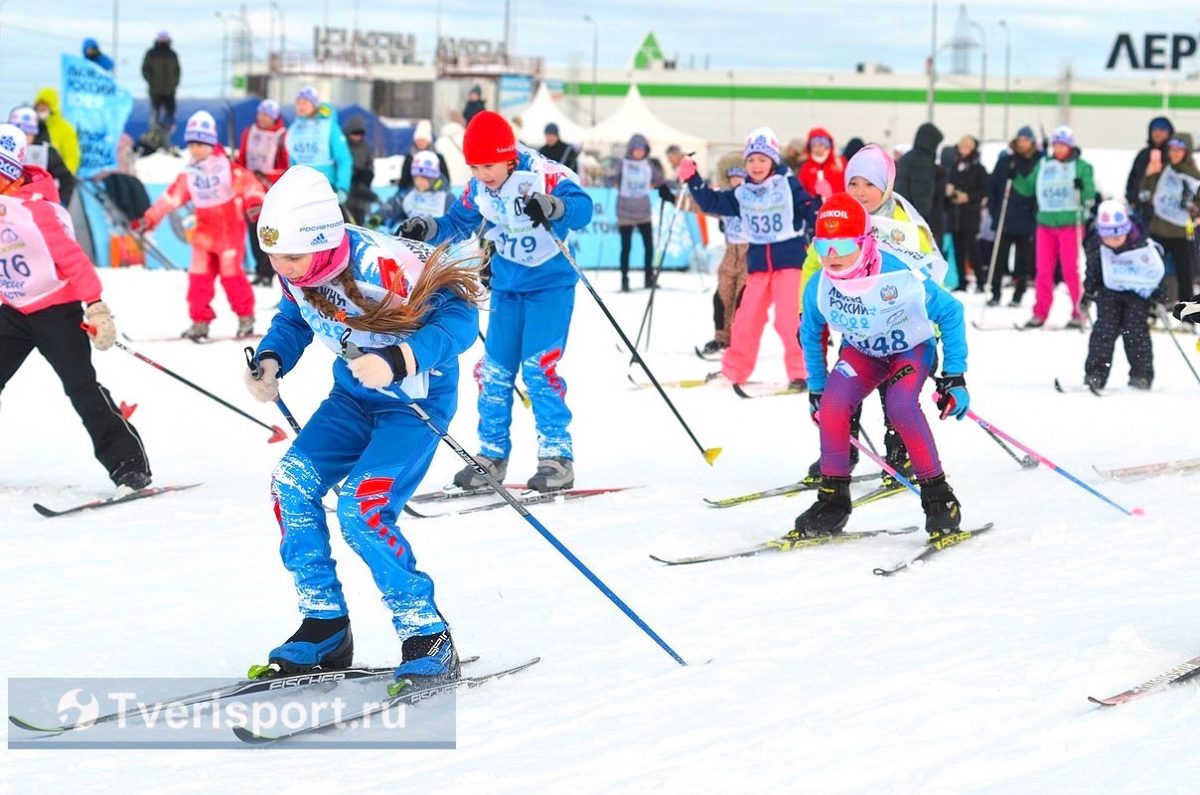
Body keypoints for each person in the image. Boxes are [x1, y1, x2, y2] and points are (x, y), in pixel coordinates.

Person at [244, 164, 483, 683]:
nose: (281, 269)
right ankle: (324, 623)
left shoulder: (386, 265)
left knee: (362, 509)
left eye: (290, 257)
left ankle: (427, 632)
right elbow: (293, 320)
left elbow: (463, 321)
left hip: (412, 403)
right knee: (291, 486)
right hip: (352, 400)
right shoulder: (302, 272)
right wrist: (270, 360)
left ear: (323, 240)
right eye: (273, 258)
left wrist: (400, 360)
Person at [398, 110, 594, 492]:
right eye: (474, 167)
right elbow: (457, 223)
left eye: (489, 165)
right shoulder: (478, 188)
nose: (483, 174)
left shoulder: (543, 173)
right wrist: (428, 227)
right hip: (507, 286)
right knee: (493, 374)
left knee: (539, 369)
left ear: (508, 156)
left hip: (549, 286)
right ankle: (491, 456)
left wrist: (555, 206)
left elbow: (582, 207)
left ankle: (556, 457)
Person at [793, 193, 968, 539]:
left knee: (901, 405)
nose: (832, 257)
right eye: (823, 246)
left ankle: (939, 499)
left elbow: (952, 312)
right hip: (862, 352)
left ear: (864, 241)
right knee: (832, 406)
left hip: (910, 350)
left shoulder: (900, 275)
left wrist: (955, 376)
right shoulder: (820, 285)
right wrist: (816, 385)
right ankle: (833, 501)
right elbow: (811, 334)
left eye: (843, 245)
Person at [0, 123, 152, 496]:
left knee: (81, 388)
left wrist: (96, 306)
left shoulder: (37, 209)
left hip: (56, 308)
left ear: (14, 171)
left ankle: (129, 467)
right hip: (12, 311)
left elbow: (74, 261)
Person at [799, 144, 945, 484]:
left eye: (869, 184)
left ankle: (899, 454)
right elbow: (812, 266)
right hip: (857, 325)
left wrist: (933, 333)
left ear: (886, 186)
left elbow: (930, 276)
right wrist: (804, 312)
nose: (860, 192)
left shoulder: (903, 223)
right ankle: (840, 451)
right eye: (853, 184)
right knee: (843, 390)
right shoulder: (838, 218)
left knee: (895, 397)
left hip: (900, 329)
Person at [682, 127, 820, 391]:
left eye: (762, 159)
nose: (756, 165)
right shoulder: (742, 192)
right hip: (758, 266)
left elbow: (808, 210)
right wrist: (694, 180)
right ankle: (734, 371)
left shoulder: (787, 184)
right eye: (751, 160)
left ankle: (802, 372)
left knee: (788, 319)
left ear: (773, 161)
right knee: (745, 320)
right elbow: (713, 202)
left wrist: (822, 204)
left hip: (789, 262)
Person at [131, 111, 264, 340]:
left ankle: (245, 318)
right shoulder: (190, 173)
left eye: (201, 144)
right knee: (198, 279)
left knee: (232, 277)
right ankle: (199, 321)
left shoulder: (226, 167)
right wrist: (149, 218)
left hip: (229, 233)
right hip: (204, 234)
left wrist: (254, 203)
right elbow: (171, 198)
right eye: (192, 144)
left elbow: (250, 185)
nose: (196, 149)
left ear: (211, 143)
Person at [1012, 125, 1096, 329]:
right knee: (1043, 270)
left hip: (1070, 223)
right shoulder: (1044, 164)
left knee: (1070, 269)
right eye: (1056, 144)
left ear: (1070, 146)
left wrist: (1082, 188)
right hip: (1046, 222)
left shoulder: (1082, 166)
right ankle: (1040, 313)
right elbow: (1028, 188)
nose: (1059, 148)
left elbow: (1090, 196)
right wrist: (1014, 176)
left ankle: (1079, 312)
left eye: (1063, 145)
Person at [1081, 200, 1164, 392]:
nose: (1112, 242)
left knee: (1135, 332)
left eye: (1117, 237)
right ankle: (1095, 374)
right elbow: (1093, 270)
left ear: (1126, 230)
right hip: (1108, 294)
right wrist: (1088, 292)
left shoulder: (1141, 244)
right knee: (1103, 332)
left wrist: (1159, 299)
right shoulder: (1097, 245)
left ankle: (1141, 374)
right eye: (1108, 238)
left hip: (1137, 295)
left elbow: (1154, 271)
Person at [985, 126, 1040, 307]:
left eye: (1026, 140)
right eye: (1020, 139)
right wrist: (995, 210)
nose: (1023, 143)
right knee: (999, 258)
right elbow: (992, 187)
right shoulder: (1006, 161)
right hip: (1005, 218)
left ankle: (1019, 292)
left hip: (1026, 218)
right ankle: (995, 292)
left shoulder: (1038, 162)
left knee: (1022, 260)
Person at [698, 162, 750, 357]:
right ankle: (721, 338)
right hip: (731, 252)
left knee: (742, 298)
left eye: (740, 177)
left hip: (750, 253)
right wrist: (672, 196)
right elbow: (703, 204)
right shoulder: (726, 200)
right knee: (722, 295)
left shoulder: (754, 199)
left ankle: (739, 340)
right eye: (732, 177)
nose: (736, 181)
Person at [1140, 132, 1199, 304]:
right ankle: (1151, 309)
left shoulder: (1195, 176)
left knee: (1184, 273)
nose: (1174, 153)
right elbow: (1146, 190)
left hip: (1183, 231)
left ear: (1186, 152)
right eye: (1172, 149)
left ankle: (1187, 316)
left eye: (1178, 150)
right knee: (1152, 269)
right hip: (1159, 228)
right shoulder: (1164, 168)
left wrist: (1192, 206)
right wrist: (1148, 178)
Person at [236, 99, 290, 286]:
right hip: (251, 189)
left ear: (274, 117)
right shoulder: (249, 132)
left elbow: (286, 165)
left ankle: (269, 271)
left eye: (267, 115)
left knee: (269, 231)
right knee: (253, 230)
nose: (262, 118)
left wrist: (267, 175)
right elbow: (242, 158)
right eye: (260, 114)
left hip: (271, 190)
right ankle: (260, 269)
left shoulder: (283, 136)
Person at [612, 133, 666, 292]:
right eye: (636, 150)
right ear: (631, 150)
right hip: (625, 210)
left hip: (643, 210)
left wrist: (660, 185)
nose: (639, 153)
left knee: (649, 246)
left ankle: (649, 278)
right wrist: (613, 180)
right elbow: (611, 178)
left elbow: (659, 179)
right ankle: (624, 279)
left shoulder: (648, 164)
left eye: (642, 150)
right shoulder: (623, 164)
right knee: (626, 247)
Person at [287, 87, 352, 207]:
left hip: (325, 188)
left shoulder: (329, 126)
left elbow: (343, 159)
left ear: (314, 105)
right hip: (300, 189)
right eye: (298, 103)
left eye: (305, 103)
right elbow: (292, 160)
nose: (301, 106)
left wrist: (342, 187)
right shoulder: (294, 128)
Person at [946, 135, 988, 292]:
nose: (964, 150)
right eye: (961, 147)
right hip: (956, 214)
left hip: (971, 214)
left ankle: (981, 281)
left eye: (967, 147)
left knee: (973, 248)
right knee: (958, 248)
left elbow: (984, 190)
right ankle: (962, 281)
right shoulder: (954, 166)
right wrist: (949, 191)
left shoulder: (979, 169)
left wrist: (969, 197)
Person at [8, 107, 75, 206]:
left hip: (39, 206)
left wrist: (62, 204)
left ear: (34, 134)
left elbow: (67, 179)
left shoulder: (47, 152)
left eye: (27, 134)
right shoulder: (4, 149)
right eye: (18, 133)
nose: (22, 137)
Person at [376, 151, 453, 233]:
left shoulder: (446, 197)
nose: (421, 182)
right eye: (417, 178)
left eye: (426, 178)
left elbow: (453, 222)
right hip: (407, 239)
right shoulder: (409, 193)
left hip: (436, 242)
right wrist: (376, 218)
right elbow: (392, 205)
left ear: (434, 178)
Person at [894, 122, 944, 241]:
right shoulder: (923, 162)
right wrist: (925, 223)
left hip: (902, 214)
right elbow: (920, 194)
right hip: (916, 221)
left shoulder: (907, 157)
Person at [1126, 117, 1173, 221]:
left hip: (1167, 211)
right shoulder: (1143, 154)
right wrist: (1132, 199)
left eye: (1162, 130)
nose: (1158, 133)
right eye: (1155, 130)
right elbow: (1133, 178)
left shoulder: (1174, 155)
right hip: (1141, 209)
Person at [32, 88, 80, 175]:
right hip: (34, 178)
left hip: (56, 179)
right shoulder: (31, 126)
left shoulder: (65, 128)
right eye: (39, 106)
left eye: (45, 106)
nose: (41, 109)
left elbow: (72, 158)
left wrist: (64, 178)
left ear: (52, 107)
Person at [141, 31, 181, 133]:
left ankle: (167, 132)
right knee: (155, 115)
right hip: (155, 91)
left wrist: (174, 84)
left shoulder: (172, 54)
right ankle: (154, 132)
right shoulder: (151, 54)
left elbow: (177, 71)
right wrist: (151, 82)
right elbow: (145, 69)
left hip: (170, 91)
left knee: (170, 114)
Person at [342, 115, 377, 226]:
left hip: (361, 188)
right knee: (346, 217)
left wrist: (368, 175)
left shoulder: (365, 147)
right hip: (348, 186)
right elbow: (342, 162)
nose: (357, 137)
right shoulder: (343, 145)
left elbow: (369, 163)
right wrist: (351, 174)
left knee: (359, 218)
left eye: (359, 134)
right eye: (354, 134)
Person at [396, 121, 450, 191]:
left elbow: (445, 180)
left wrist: (433, 189)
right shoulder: (410, 158)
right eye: (418, 140)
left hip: (434, 194)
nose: (421, 143)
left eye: (423, 140)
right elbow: (404, 181)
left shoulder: (438, 158)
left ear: (429, 141)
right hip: (413, 194)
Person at [798, 127, 846, 200]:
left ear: (827, 146)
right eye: (814, 146)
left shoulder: (839, 163)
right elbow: (802, 187)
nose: (818, 149)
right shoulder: (806, 167)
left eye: (821, 145)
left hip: (839, 203)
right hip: (814, 207)